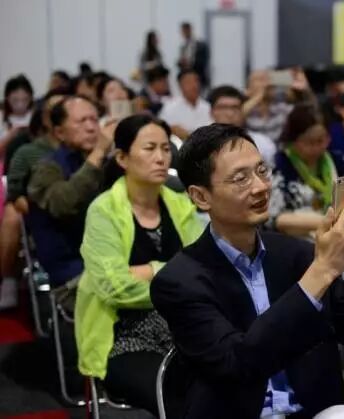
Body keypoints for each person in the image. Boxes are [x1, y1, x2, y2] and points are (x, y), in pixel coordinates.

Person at [150, 123, 344, 418]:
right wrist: (323, 270)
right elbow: (239, 364)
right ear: (201, 197)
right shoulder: (179, 281)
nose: (260, 187)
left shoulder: (297, 255)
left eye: (261, 171)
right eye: (241, 179)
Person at [75, 114, 203, 417]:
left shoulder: (181, 205)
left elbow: (203, 270)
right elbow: (114, 288)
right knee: (180, 397)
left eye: (166, 148)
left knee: (232, 380)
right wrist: (169, 273)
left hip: (185, 328)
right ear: (122, 158)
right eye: (149, 148)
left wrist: (149, 271)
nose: (161, 158)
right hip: (123, 339)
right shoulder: (103, 211)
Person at [26, 96, 111, 308]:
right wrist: (99, 152)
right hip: (73, 272)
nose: (91, 127)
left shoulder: (107, 164)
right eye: (81, 121)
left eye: (94, 120)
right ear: (59, 132)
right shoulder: (47, 168)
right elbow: (63, 204)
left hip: (113, 261)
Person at [0, 93, 65, 309]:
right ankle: (8, 278)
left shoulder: (80, 149)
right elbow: (15, 189)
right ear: (44, 118)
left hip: (71, 206)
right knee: (11, 216)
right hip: (34, 208)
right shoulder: (28, 150)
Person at [268, 105, 344, 237]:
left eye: (321, 140)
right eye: (309, 142)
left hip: (336, 234)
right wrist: (328, 221)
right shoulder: (279, 165)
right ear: (294, 139)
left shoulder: (338, 160)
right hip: (297, 239)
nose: (316, 147)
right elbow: (275, 218)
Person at [208, 85, 276, 165]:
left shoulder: (263, 143)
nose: (229, 113)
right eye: (223, 107)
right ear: (211, 112)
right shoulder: (202, 144)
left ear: (244, 111)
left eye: (235, 107)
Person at [244, 68, 316, 143]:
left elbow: (309, 112)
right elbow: (240, 117)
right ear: (248, 89)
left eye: (268, 79)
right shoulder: (242, 106)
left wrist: (305, 89)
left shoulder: (280, 108)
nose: (268, 83)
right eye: (260, 79)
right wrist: (259, 95)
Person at [159, 69, 211, 141]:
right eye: (188, 82)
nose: (194, 85)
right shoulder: (169, 108)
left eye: (196, 81)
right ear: (180, 85)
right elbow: (161, 130)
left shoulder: (208, 107)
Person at [0, 75, 34, 156]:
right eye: (15, 100)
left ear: (30, 98)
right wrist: (10, 135)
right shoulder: (1, 116)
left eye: (25, 100)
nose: (20, 105)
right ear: (7, 98)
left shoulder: (35, 115)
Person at [177, 22, 209, 88]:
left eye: (186, 30)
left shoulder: (201, 45)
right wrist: (181, 63)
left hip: (199, 77)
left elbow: (204, 61)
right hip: (186, 77)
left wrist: (190, 63)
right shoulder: (183, 47)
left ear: (190, 30)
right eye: (183, 31)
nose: (184, 33)